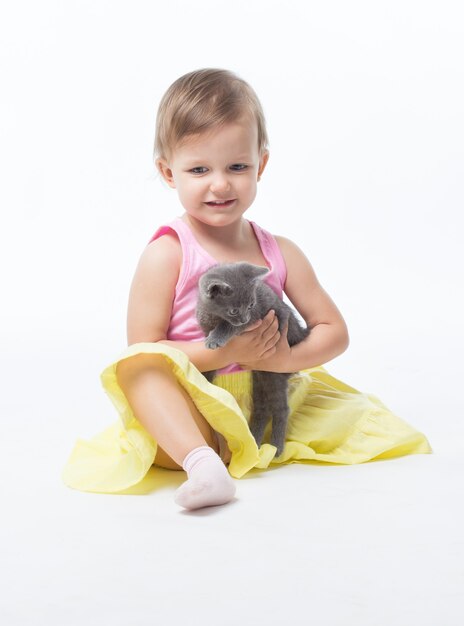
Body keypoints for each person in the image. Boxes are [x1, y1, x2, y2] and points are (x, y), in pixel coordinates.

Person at [62, 68, 431, 510]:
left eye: (237, 166)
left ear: (261, 164)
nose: (220, 184)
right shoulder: (168, 253)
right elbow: (144, 349)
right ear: (167, 171)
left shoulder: (280, 253)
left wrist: (284, 358)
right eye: (199, 169)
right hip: (194, 414)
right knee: (138, 369)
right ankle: (204, 465)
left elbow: (334, 330)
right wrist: (225, 353)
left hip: (268, 403)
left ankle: (235, 450)